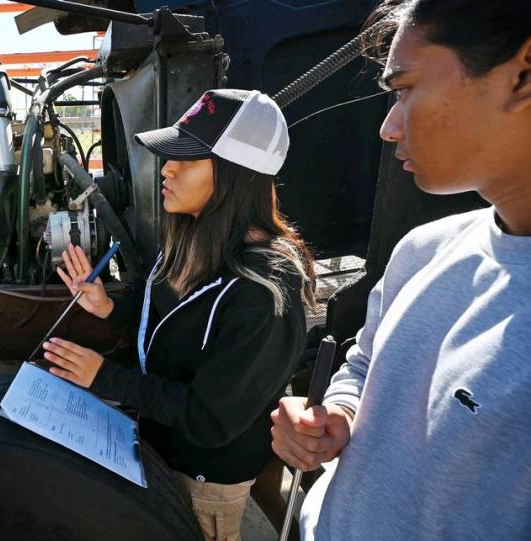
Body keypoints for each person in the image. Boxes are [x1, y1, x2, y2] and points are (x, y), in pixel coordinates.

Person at [269, 1, 531, 539]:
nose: (388, 128)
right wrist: (333, 419)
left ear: (521, 75)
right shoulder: (423, 249)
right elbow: (365, 365)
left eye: (404, 89)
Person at [42, 89, 316, 541]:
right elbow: (162, 304)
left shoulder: (262, 292)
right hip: (162, 449)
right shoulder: (191, 236)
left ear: (234, 175)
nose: (167, 168)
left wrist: (106, 378)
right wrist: (112, 308)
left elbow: (211, 420)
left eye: (187, 158)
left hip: (206, 480)